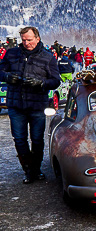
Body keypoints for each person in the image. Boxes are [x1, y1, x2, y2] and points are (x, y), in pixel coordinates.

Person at [0, 26, 62, 183]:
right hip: (16, 105)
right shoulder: (12, 53)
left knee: (37, 140)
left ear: (37, 38)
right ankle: (28, 169)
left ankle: (36, 169)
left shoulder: (48, 57)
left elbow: (55, 81)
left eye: (29, 40)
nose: (26, 43)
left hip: (37, 106)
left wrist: (40, 83)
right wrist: (7, 77)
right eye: (24, 40)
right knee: (19, 139)